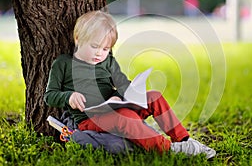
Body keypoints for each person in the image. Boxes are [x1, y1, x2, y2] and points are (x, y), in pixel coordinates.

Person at [44, 10, 216, 158]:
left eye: (105, 49)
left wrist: (123, 95)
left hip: (115, 108)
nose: (99, 53)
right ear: (78, 39)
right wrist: (69, 96)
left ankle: (184, 140)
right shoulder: (63, 63)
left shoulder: (108, 62)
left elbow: (123, 84)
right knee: (126, 118)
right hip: (91, 118)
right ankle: (169, 149)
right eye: (95, 46)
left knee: (153, 97)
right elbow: (49, 95)